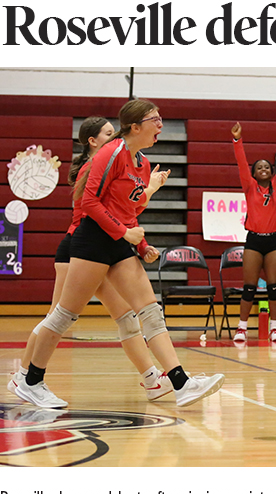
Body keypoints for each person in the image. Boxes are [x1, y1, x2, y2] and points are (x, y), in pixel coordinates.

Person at [18, 99, 224, 408]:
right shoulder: (109, 153)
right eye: (155, 120)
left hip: (117, 242)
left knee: (149, 311)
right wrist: (125, 233)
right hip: (92, 240)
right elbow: (89, 203)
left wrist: (140, 244)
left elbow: (129, 210)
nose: (161, 125)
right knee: (64, 315)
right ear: (135, 126)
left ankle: (181, 383)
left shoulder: (141, 162)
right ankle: (31, 380)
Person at [8, 116, 172, 406]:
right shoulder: (95, 166)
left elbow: (125, 213)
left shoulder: (122, 164)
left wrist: (142, 242)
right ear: (94, 141)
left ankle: (152, 379)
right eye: (110, 133)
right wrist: (149, 191)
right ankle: (24, 377)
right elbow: (97, 212)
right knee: (58, 317)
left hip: (105, 249)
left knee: (126, 317)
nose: (116, 136)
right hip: (81, 249)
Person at [231, 121, 276, 343]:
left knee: (274, 287)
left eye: (267, 167)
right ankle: (241, 328)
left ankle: (275, 328)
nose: (264, 169)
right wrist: (237, 140)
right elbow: (241, 163)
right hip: (254, 241)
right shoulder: (249, 187)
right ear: (254, 174)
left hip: (273, 241)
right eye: (259, 168)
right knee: (249, 287)